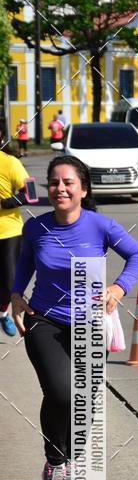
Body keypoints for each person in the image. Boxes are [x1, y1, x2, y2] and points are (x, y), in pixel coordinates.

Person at [11, 155, 138, 480]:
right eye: (54, 182)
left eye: (68, 182)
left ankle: (73, 455)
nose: (60, 188)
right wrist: (15, 294)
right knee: (60, 392)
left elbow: (137, 256)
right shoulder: (35, 227)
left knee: (84, 399)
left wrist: (119, 288)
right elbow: (25, 260)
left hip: (90, 323)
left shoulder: (101, 226)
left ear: (83, 189)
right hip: (44, 319)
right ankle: (56, 462)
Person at [0, 136, 29, 337]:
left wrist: (4, 204)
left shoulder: (10, 162)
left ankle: (3, 313)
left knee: (10, 282)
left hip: (8, 231)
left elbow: (32, 192)